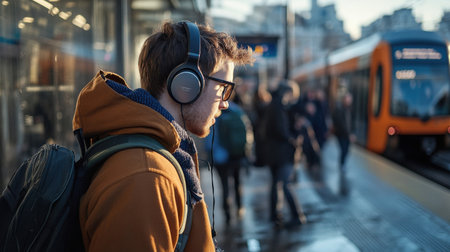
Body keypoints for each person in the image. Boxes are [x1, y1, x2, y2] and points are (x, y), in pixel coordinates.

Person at [73, 21, 253, 251]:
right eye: (223, 88)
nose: (225, 103)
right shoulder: (147, 175)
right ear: (186, 85)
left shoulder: (157, 158)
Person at [263, 80, 306, 228]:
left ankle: (275, 215)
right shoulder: (278, 107)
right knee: (285, 184)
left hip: (273, 153)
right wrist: (292, 139)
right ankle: (297, 215)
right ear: (286, 93)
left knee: (276, 184)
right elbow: (282, 131)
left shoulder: (273, 105)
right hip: (282, 153)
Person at [214, 99, 253, 225]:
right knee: (237, 181)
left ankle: (227, 214)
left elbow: (209, 140)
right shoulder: (237, 110)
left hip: (220, 155)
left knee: (224, 185)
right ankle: (240, 207)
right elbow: (248, 131)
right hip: (236, 154)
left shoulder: (213, 110)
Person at [331, 92, 355, 193]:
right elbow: (340, 123)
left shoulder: (351, 109)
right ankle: (342, 165)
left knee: (347, 150)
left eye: (350, 99)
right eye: (347, 99)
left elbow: (352, 122)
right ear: (344, 99)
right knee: (343, 149)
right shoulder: (339, 109)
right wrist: (348, 134)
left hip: (348, 134)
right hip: (341, 135)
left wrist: (353, 133)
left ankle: (343, 164)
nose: (349, 100)